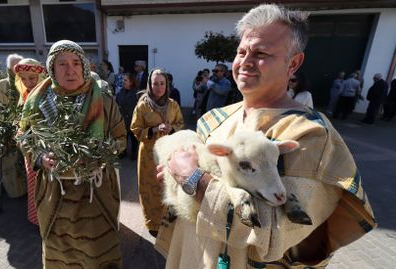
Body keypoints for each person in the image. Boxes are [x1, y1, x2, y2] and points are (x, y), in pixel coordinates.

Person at [155, 4, 375, 269]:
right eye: (241, 51)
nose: (245, 62)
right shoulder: (214, 119)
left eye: (260, 53)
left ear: (293, 63)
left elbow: (275, 232)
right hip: (192, 256)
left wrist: (192, 179)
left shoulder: (310, 135)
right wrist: (173, 174)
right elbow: (185, 186)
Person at [17, 40, 127, 269]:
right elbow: (24, 138)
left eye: (76, 62)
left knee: (97, 251)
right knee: (60, 252)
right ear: (52, 69)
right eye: (62, 64)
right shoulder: (36, 102)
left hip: (94, 194)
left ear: (85, 66)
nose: (71, 70)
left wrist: (100, 153)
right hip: (55, 192)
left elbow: (120, 139)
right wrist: (40, 158)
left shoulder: (104, 100)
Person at [130, 68, 184, 237]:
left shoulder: (173, 104)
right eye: (155, 83)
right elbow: (135, 129)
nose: (159, 87)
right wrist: (153, 129)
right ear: (149, 85)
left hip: (168, 153)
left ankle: (166, 218)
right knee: (149, 188)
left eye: (162, 83)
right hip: (148, 155)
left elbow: (180, 122)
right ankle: (152, 223)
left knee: (166, 185)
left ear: (167, 84)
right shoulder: (143, 105)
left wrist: (172, 128)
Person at [13, 58, 47, 225]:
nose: (27, 82)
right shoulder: (25, 95)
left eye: (32, 78)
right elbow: (23, 123)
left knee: (47, 186)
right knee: (34, 184)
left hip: (45, 150)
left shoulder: (48, 96)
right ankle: (38, 219)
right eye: (23, 79)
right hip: (30, 149)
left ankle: (48, 220)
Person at [115, 73, 139, 160]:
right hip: (122, 119)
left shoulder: (136, 93)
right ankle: (123, 152)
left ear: (131, 82)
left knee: (133, 138)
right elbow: (116, 104)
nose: (123, 82)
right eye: (123, 80)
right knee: (123, 137)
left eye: (125, 80)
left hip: (133, 120)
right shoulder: (120, 92)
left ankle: (133, 153)